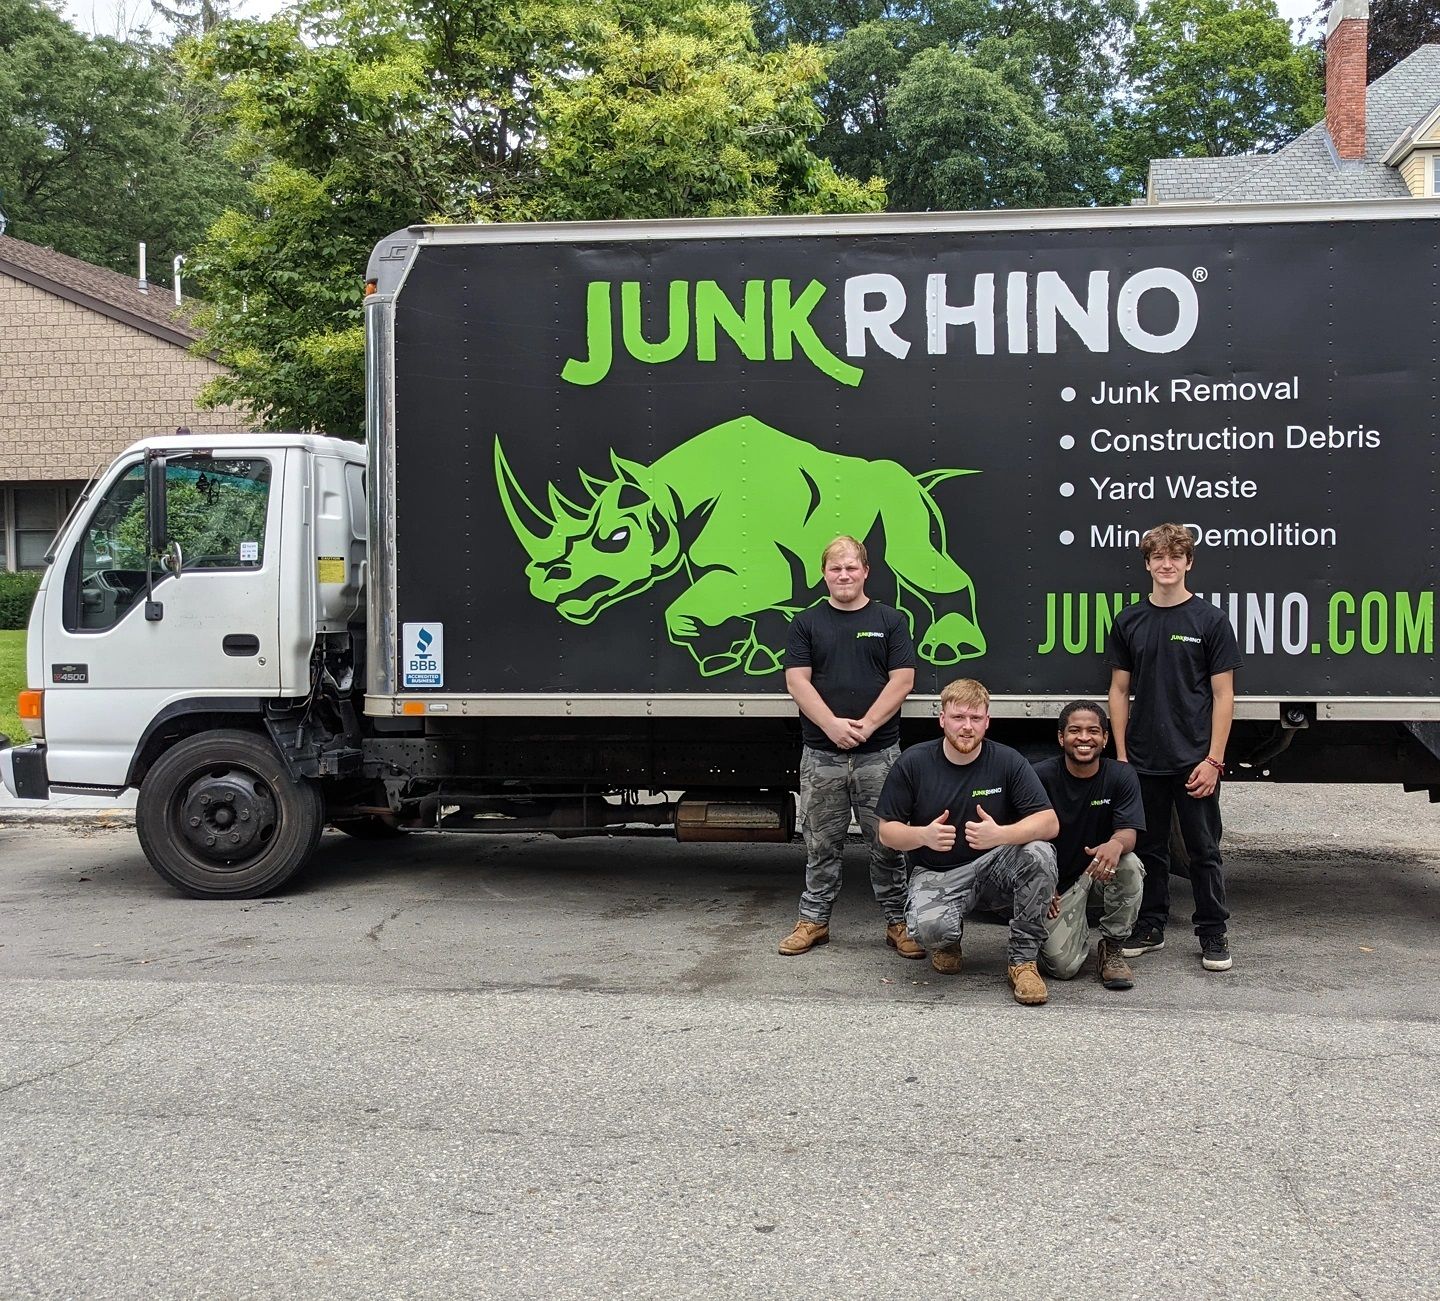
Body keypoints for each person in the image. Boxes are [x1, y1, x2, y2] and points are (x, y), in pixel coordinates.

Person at [1106, 522, 1241, 972]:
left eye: (1175, 557)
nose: (1167, 565)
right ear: (1148, 564)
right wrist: (1121, 756)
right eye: (1159, 557)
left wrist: (1214, 760)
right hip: (1143, 759)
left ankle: (1213, 931)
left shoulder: (1210, 620)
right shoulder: (1129, 620)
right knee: (1149, 849)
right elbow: (1118, 690)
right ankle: (1151, 926)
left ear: (1188, 563)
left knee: (1203, 850)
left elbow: (1224, 695)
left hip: (1194, 760)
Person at [875, 678, 1059, 1005]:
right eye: (958, 717)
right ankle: (948, 940)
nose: (967, 727)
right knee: (929, 930)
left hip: (994, 868)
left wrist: (1001, 835)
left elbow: (1049, 822)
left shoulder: (1008, 761)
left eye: (975, 718)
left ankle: (1022, 961)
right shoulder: (914, 763)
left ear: (987, 721)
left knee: (1039, 853)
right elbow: (886, 832)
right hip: (938, 872)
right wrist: (923, 835)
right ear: (942, 719)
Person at [779, 536, 919, 958]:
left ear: (866, 571)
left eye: (851, 567)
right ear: (824, 574)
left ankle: (899, 923)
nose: (844, 575)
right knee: (820, 844)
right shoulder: (806, 623)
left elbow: (903, 680)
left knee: (888, 843)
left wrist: (867, 726)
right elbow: (796, 681)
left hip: (880, 756)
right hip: (822, 755)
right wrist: (832, 726)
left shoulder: (890, 620)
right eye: (835, 568)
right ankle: (814, 921)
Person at [1033, 701, 1146, 991]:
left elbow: (1129, 832)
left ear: (1105, 738)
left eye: (1093, 731)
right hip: (1058, 886)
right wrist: (1042, 884)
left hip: (1097, 874)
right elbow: (1024, 838)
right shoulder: (1040, 776)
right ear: (1061, 738)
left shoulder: (1121, 775)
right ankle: (1062, 931)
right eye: (1075, 731)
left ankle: (1112, 947)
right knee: (1063, 968)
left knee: (1129, 863)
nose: (1084, 737)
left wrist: (1115, 843)